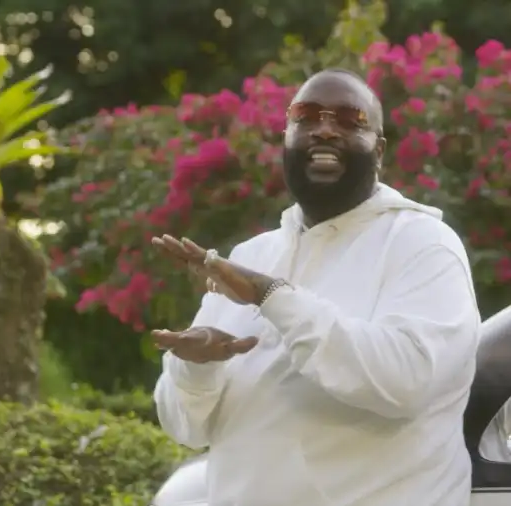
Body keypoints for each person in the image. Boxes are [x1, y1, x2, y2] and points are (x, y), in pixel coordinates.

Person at [151, 69, 480, 506]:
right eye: (306, 117)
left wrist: (272, 296)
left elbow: (407, 382)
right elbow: (184, 428)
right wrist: (196, 367)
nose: (325, 130)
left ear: (379, 150)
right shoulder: (251, 255)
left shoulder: (423, 244)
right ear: (286, 140)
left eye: (349, 119)